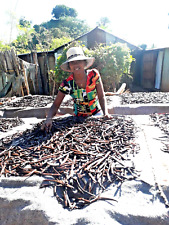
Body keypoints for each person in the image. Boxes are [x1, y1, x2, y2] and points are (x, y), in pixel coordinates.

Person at [42, 46, 112, 132]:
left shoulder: (94, 75)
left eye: (79, 61)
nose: (76, 65)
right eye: (72, 62)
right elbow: (56, 104)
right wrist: (49, 118)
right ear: (69, 66)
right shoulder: (67, 84)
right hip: (78, 118)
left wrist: (106, 113)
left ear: (84, 62)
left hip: (96, 113)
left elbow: (101, 97)